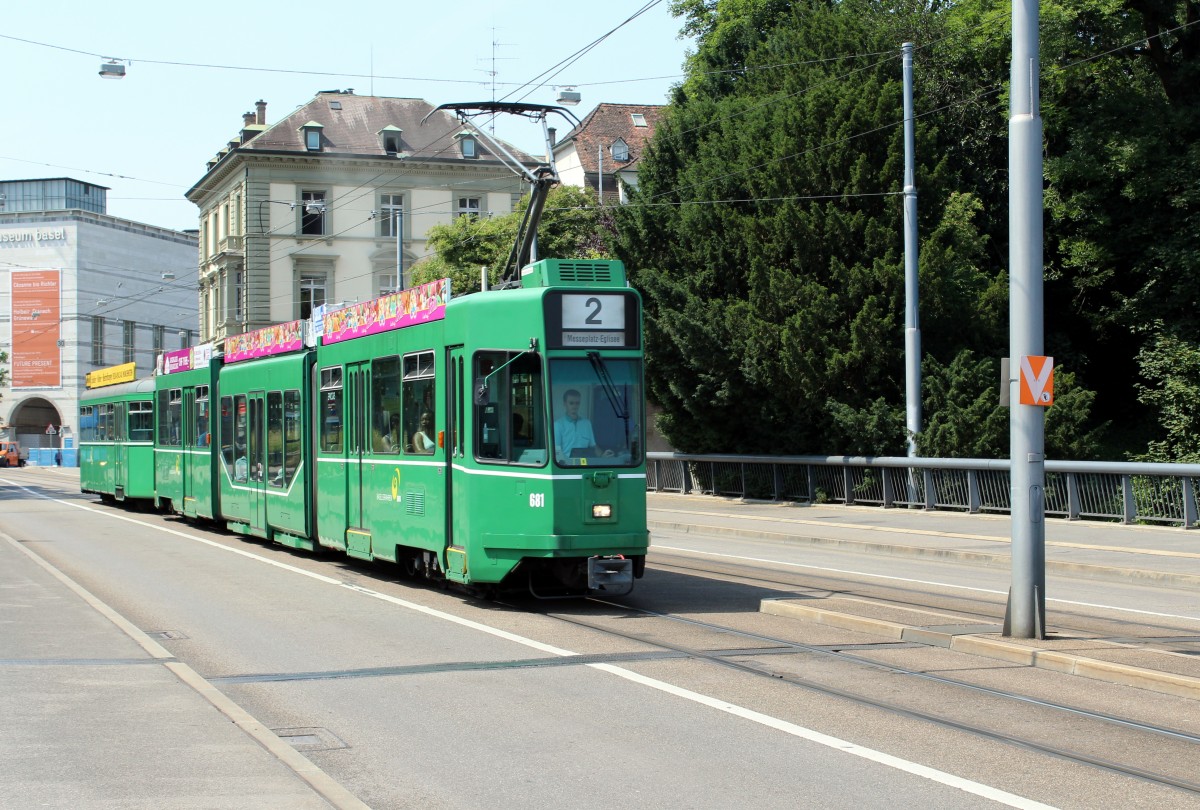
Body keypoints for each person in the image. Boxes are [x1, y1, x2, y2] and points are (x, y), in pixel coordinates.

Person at [554, 389, 610, 462]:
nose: (575, 406)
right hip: (566, 466)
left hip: (585, 465)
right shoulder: (558, 425)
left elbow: (593, 445)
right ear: (565, 404)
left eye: (577, 403)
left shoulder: (587, 423)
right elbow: (556, 450)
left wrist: (603, 455)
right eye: (571, 403)